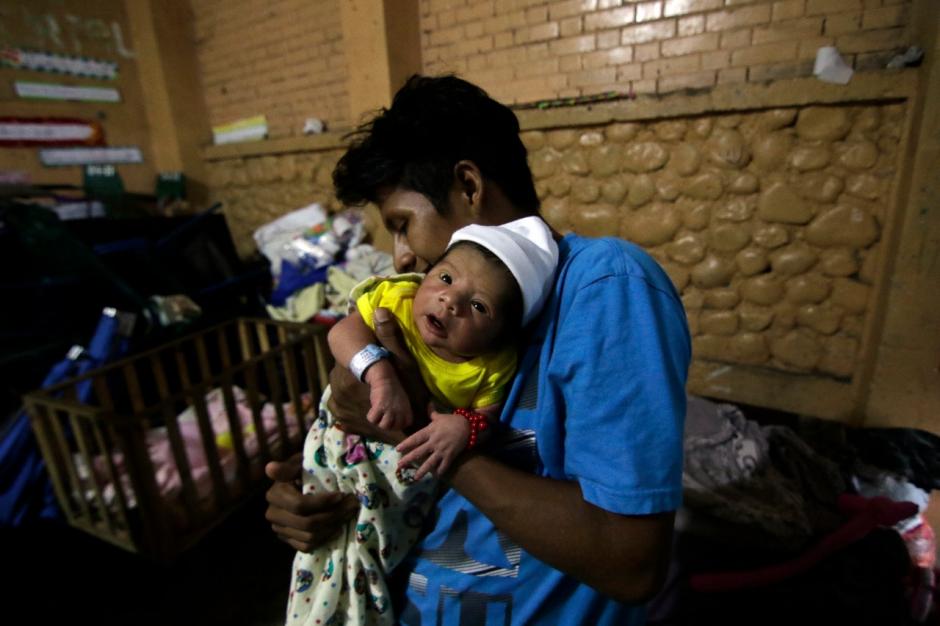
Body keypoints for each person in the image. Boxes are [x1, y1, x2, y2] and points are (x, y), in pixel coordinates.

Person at [266, 74, 691, 625]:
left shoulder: (604, 285)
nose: (399, 258)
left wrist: (412, 427)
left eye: (402, 224)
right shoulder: (424, 314)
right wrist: (327, 503)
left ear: (468, 186)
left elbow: (631, 563)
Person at [286, 217, 558, 625]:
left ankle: (362, 602)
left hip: (404, 463)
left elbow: (485, 418)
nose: (451, 302)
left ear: (501, 335)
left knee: (372, 548)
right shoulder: (396, 298)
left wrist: (462, 426)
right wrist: (378, 373)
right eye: (445, 278)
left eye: (479, 306)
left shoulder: (493, 366)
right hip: (345, 428)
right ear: (425, 274)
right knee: (325, 533)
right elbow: (342, 333)